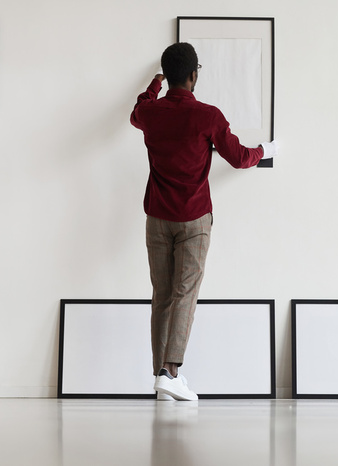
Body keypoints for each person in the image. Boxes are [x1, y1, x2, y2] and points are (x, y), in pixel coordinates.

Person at [130, 42, 277, 401]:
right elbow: (241, 158)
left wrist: (154, 83)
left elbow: (138, 109)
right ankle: (171, 372)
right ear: (194, 75)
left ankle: (161, 379)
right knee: (184, 295)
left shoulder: (151, 113)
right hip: (194, 218)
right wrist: (266, 150)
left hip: (157, 218)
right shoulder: (207, 116)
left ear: (169, 78)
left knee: (162, 296)